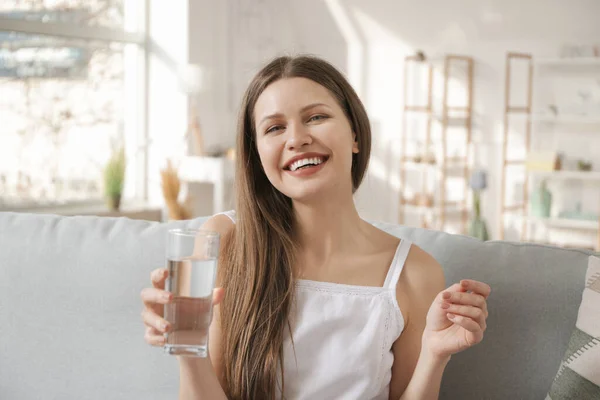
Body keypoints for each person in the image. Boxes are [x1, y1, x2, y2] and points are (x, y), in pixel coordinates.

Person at [140, 55, 491, 400]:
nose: (296, 138)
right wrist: (185, 343)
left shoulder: (414, 273)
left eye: (316, 117)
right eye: (274, 128)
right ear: (258, 156)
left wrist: (434, 355)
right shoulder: (226, 240)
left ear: (355, 135)